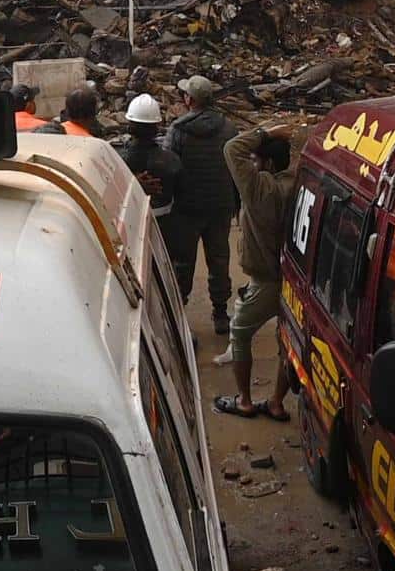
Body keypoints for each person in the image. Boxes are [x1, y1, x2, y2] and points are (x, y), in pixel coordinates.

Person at [214, 124, 296, 421]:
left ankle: (245, 401)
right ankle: (276, 401)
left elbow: (231, 148)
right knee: (286, 341)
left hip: (267, 280)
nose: (253, 166)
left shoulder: (261, 189)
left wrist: (267, 130)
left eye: (258, 161)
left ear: (268, 165)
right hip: (293, 280)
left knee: (240, 332)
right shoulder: (297, 182)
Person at [165, 75, 239, 335]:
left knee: (183, 263)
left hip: (187, 208)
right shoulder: (228, 128)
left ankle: (180, 315)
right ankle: (220, 314)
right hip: (220, 205)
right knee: (219, 259)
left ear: (189, 100)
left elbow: (169, 167)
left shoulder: (178, 130)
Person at [121, 91, 185, 262]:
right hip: (165, 226)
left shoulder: (119, 161)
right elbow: (181, 194)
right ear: (156, 128)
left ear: (129, 126)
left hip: (130, 226)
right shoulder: (171, 160)